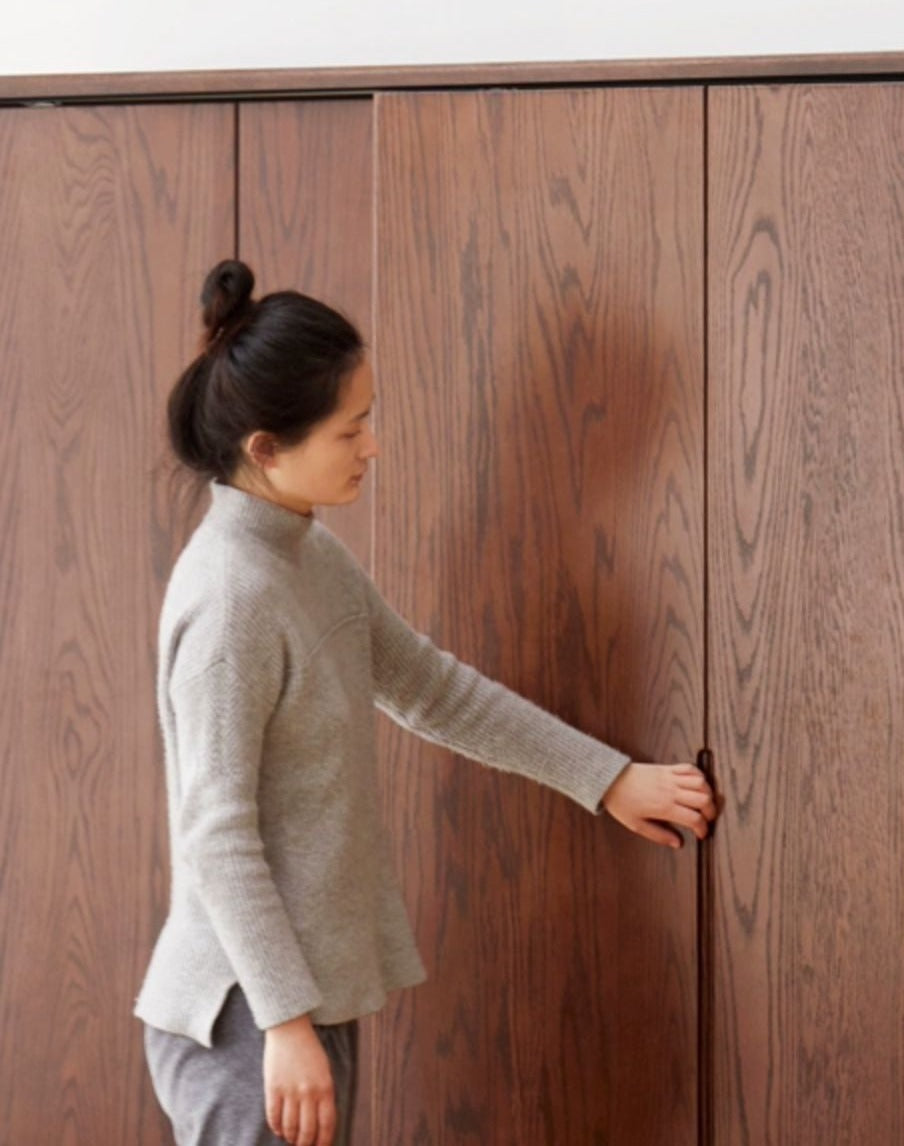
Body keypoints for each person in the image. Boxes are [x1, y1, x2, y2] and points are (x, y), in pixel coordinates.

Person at [135, 258, 718, 1146]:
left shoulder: (306, 555)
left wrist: (606, 780)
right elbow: (216, 834)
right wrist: (284, 1023)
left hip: (294, 1003)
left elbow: (430, 689)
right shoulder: (231, 597)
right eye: (350, 430)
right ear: (265, 449)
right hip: (247, 1016)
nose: (372, 447)